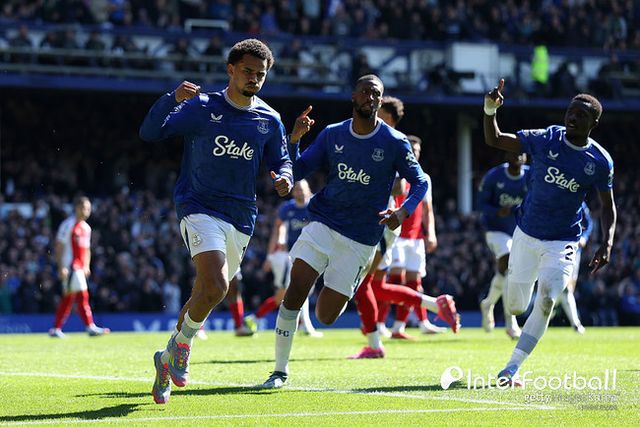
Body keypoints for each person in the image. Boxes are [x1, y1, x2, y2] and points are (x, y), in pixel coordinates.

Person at [139, 39, 293, 404]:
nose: (254, 78)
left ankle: (168, 356)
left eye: (260, 74)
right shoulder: (203, 107)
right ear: (231, 70)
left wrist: (284, 177)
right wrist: (171, 99)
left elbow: (281, 160)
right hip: (198, 206)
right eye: (247, 71)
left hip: (241, 217)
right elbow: (150, 133)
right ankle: (184, 347)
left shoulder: (269, 119)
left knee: (205, 293)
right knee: (218, 285)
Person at [262, 74, 441, 389]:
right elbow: (299, 168)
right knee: (296, 290)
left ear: (380, 100)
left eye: (376, 93)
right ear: (354, 97)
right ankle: (279, 371)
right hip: (323, 222)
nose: (370, 97)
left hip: (361, 238)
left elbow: (421, 181)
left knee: (326, 315)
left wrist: (403, 211)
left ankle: (343, 281)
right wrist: (295, 140)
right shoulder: (333, 134)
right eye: (365, 92)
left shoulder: (394, 141)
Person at [483, 79, 616, 386]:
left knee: (546, 301)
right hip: (527, 234)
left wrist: (606, 242)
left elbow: (608, 206)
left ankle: (511, 368)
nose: (573, 117)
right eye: (571, 112)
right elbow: (496, 139)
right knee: (516, 305)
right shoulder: (546, 139)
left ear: (594, 123)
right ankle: (508, 304)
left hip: (563, 240)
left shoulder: (600, 161)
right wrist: (490, 110)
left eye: (582, 115)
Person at [350, 97, 459, 359]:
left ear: (388, 118)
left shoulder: (392, 144)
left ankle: (377, 342)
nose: (371, 115)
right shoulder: (381, 143)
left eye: (377, 111)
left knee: (362, 284)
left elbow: (400, 187)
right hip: (378, 224)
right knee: (372, 286)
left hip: (381, 223)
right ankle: (433, 305)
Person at [383, 134, 444, 339]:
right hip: (395, 235)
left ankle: (401, 326)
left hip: (416, 238)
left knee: (414, 282)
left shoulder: (423, 177)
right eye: (411, 149)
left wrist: (430, 233)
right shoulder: (393, 172)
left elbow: (427, 209)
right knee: (394, 280)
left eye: (417, 150)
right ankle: (379, 323)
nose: (415, 153)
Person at [245, 179, 323, 337]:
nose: (299, 192)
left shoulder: (315, 206)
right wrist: (270, 255)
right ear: (293, 192)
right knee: (297, 289)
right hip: (290, 256)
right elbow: (278, 229)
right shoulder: (287, 208)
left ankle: (255, 318)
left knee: (286, 294)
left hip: (311, 254)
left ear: (309, 191)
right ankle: (306, 327)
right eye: (297, 189)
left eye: (302, 189)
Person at [477, 152, 530, 339]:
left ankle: (488, 303)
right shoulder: (494, 176)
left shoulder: (532, 175)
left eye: (520, 153)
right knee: (509, 264)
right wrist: (496, 211)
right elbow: (480, 203)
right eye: (513, 153)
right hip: (495, 230)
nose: (517, 156)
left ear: (525, 156)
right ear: (506, 156)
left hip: (521, 232)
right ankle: (510, 322)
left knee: (504, 273)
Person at [49, 196, 110, 338]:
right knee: (83, 295)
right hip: (70, 267)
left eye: (88, 208)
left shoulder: (86, 228)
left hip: (80, 268)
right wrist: (61, 266)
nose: (86, 211)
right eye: (84, 208)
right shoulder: (68, 225)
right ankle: (90, 326)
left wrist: (87, 266)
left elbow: (87, 249)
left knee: (69, 298)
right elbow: (59, 246)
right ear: (76, 208)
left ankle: (56, 329)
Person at [558, 202, 593, 334]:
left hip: (573, 251)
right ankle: (575, 323)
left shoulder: (579, 201)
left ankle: (574, 323)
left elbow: (589, 223)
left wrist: (584, 237)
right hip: (554, 249)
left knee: (567, 288)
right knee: (560, 288)